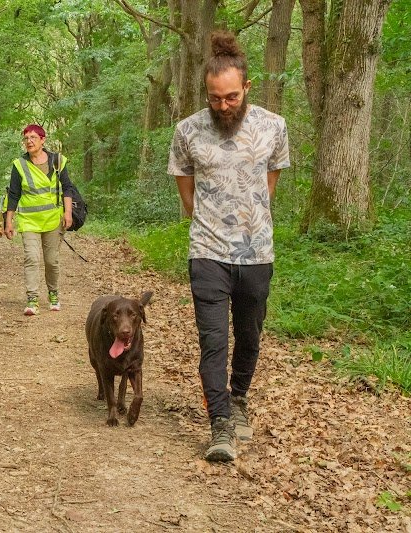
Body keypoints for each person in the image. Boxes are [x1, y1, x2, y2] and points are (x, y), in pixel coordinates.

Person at [168, 30, 290, 462]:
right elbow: (186, 191)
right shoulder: (187, 131)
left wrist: (250, 218)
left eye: (231, 97)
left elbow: (269, 184)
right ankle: (219, 422)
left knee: (250, 335)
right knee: (213, 339)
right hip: (207, 251)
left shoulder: (273, 127)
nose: (223, 106)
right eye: (215, 98)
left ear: (247, 88)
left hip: (257, 252)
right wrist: (209, 220)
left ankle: (238, 398)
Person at [3, 124, 74, 316]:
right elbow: (13, 194)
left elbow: (68, 188)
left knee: (51, 260)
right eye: (26, 138)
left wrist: (67, 213)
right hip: (29, 220)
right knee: (32, 258)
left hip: (53, 219)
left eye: (33, 137)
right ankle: (32, 299)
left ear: (43, 140)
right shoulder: (19, 164)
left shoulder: (58, 161)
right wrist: (8, 222)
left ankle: (53, 294)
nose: (29, 141)